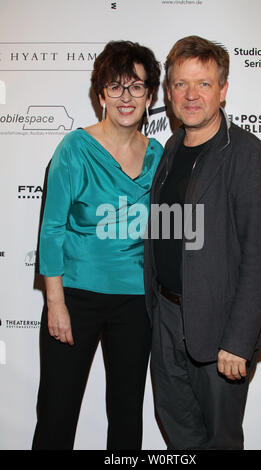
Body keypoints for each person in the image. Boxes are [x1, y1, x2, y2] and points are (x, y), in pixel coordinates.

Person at [144, 36, 261, 450]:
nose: (191, 95)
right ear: (169, 92)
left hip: (221, 328)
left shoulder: (247, 155)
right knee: (179, 434)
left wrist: (238, 340)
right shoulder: (171, 148)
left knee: (220, 441)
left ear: (223, 90)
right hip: (168, 319)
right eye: (181, 84)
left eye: (203, 84)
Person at [32, 40, 163, 450]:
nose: (126, 97)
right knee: (57, 411)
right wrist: (56, 303)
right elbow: (52, 228)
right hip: (74, 297)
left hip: (136, 302)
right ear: (101, 92)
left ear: (150, 95)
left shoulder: (159, 155)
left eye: (137, 86)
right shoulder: (74, 149)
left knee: (127, 415)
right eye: (116, 86)